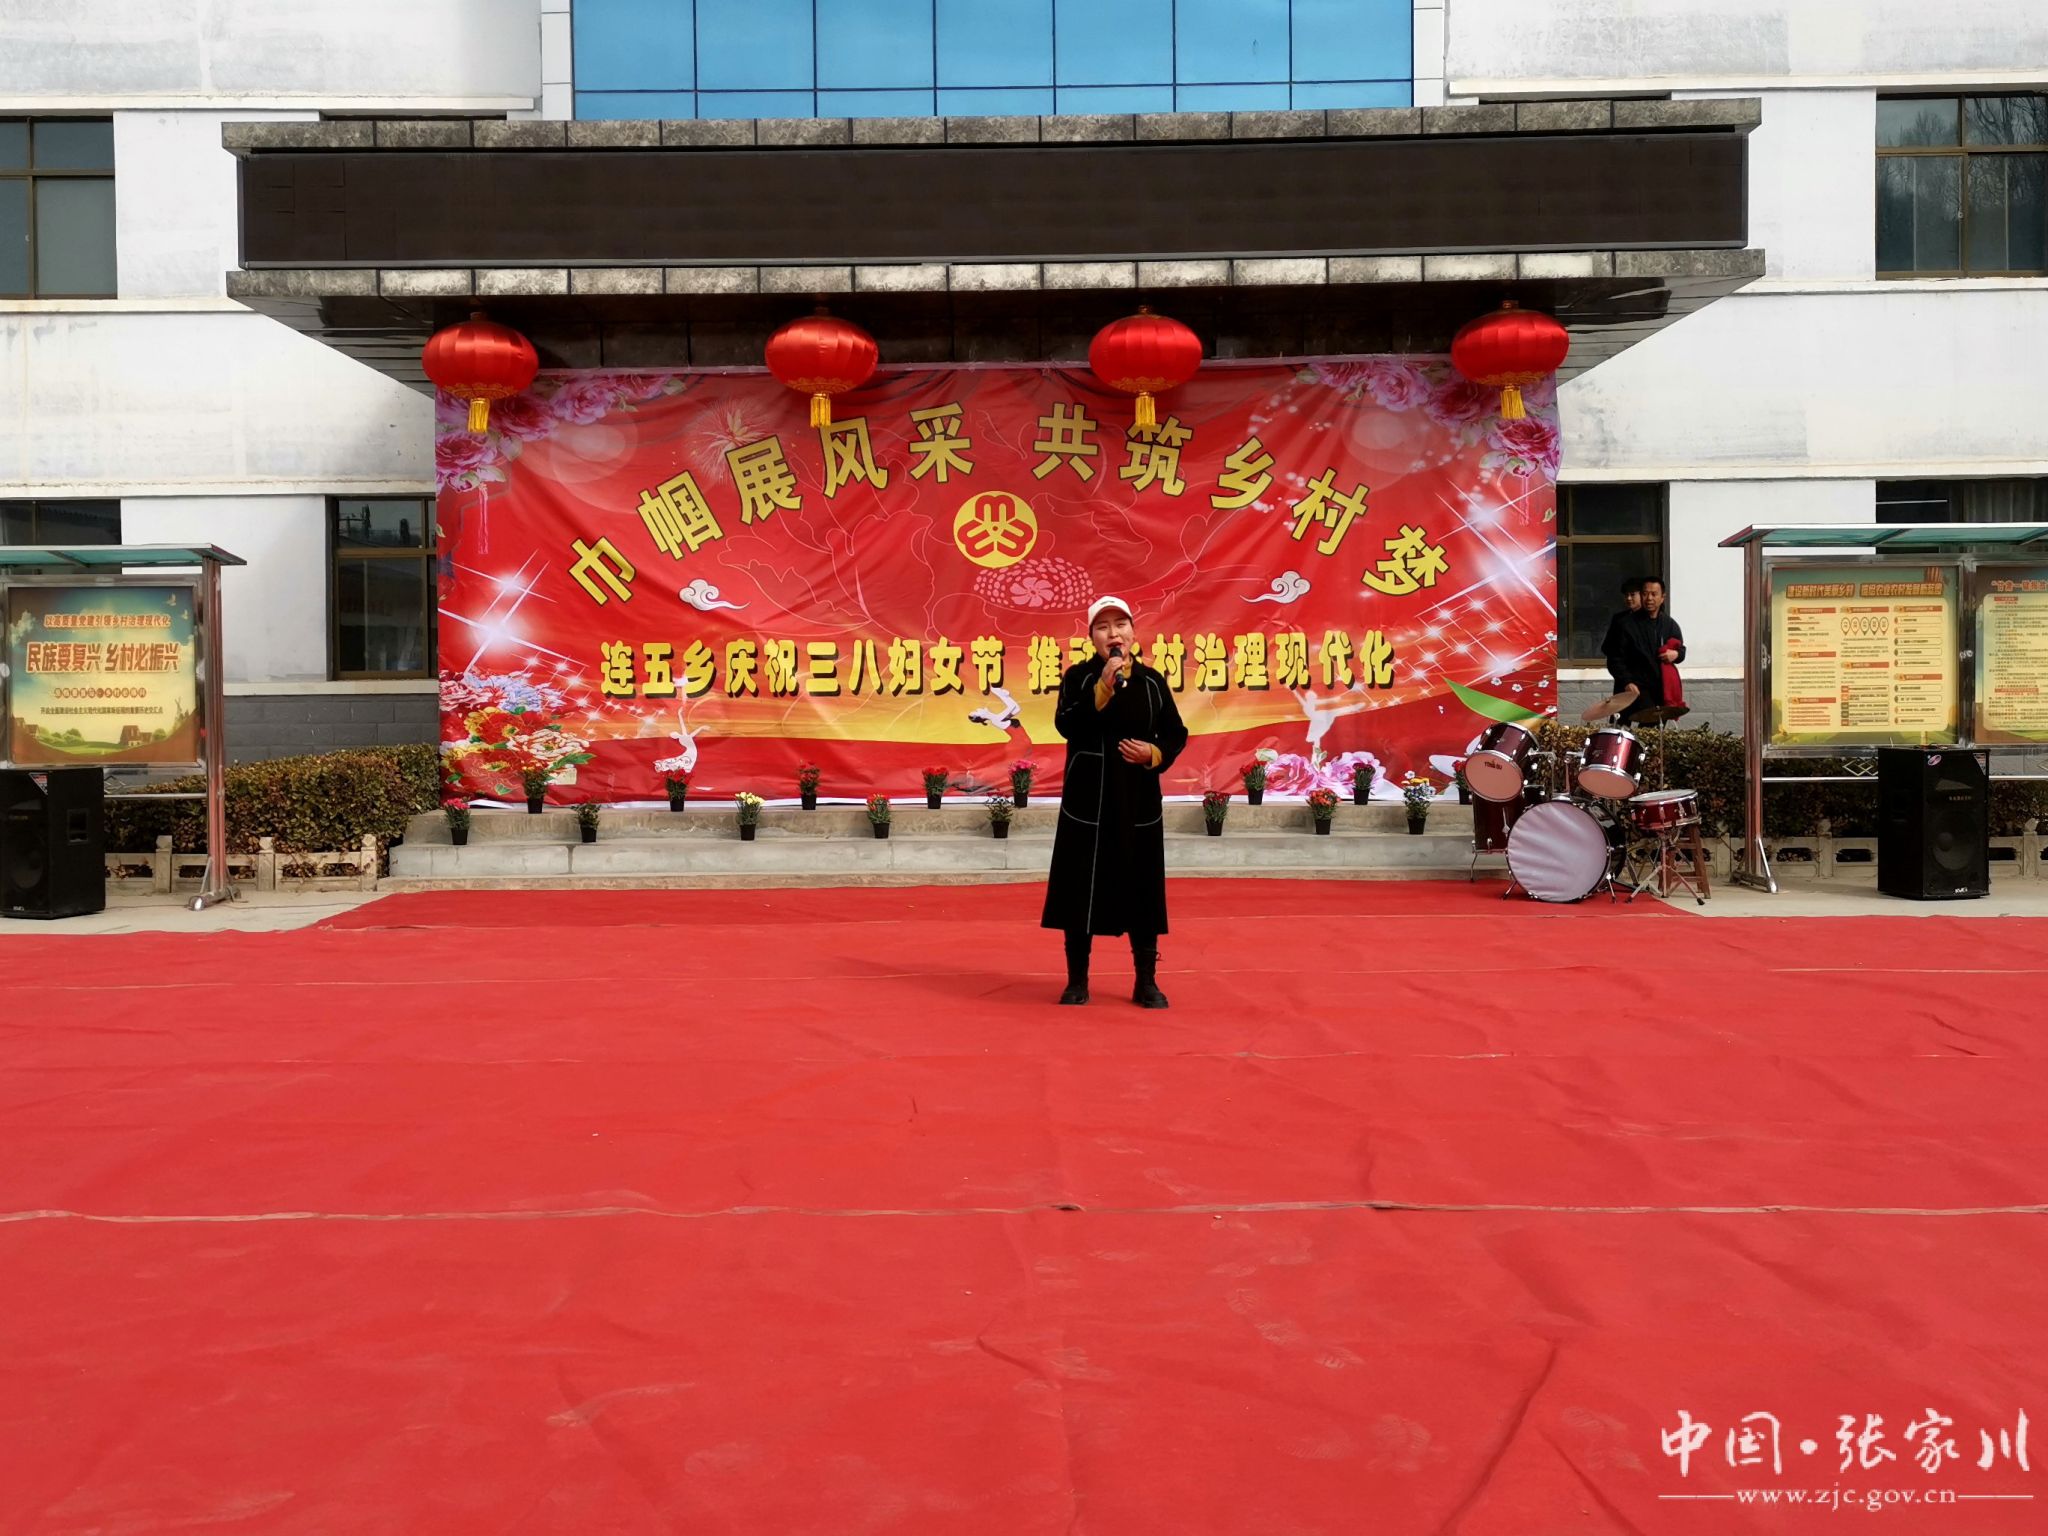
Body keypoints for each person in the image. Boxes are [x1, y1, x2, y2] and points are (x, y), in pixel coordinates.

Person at [1041, 595, 1189, 1009]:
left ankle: (1146, 981)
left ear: (1133, 633)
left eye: (1120, 625)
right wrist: (1104, 686)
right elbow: (1067, 724)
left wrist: (1154, 753)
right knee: (1080, 888)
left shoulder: (1152, 682)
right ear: (1092, 637)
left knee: (1142, 888)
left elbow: (1175, 732)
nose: (1113, 634)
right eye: (1103, 627)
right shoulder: (1079, 677)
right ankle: (1077, 980)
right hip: (1087, 801)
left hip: (1137, 800)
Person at [1598, 575, 1685, 725]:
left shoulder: (1669, 625)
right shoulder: (1625, 624)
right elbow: (1614, 659)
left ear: (1662, 598)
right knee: (1621, 730)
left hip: (1659, 689)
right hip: (1632, 688)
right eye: (1645, 594)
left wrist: (1676, 654)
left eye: (1654, 594)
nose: (1649, 598)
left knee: (1653, 731)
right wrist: (1627, 682)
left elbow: (1681, 650)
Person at [1582, 577, 1644, 722]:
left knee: (1649, 722)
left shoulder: (1654, 619)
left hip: (1646, 681)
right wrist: (1625, 677)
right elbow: (1609, 649)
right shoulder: (1620, 620)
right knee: (1620, 722)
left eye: (1633, 594)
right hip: (1624, 678)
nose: (1629, 598)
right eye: (1626, 595)